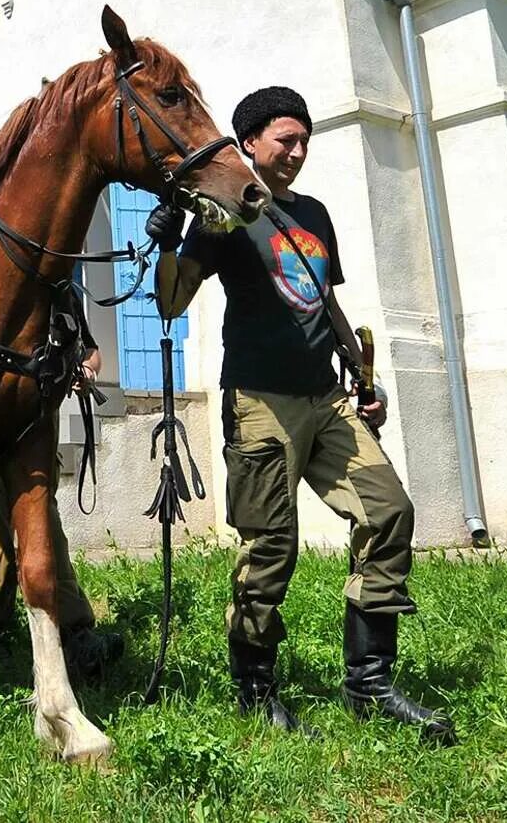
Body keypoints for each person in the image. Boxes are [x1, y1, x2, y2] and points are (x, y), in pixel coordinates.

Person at [149, 86, 455, 744]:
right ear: (250, 141)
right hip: (260, 400)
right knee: (271, 549)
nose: (298, 149)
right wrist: (170, 236)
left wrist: (361, 375)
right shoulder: (227, 212)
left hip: (327, 397)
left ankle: (368, 684)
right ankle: (255, 691)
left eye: (304, 139)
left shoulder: (313, 213)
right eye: (285, 138)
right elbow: (172, 302)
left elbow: (326, 302)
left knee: (389, 510)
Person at [0, 347, 124, 683]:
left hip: (41, 423)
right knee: (39, 522)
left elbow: (92, 350)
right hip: (1, 423)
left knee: (8, 517)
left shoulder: (61, 297)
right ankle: (75, 631)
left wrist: (86, 370)